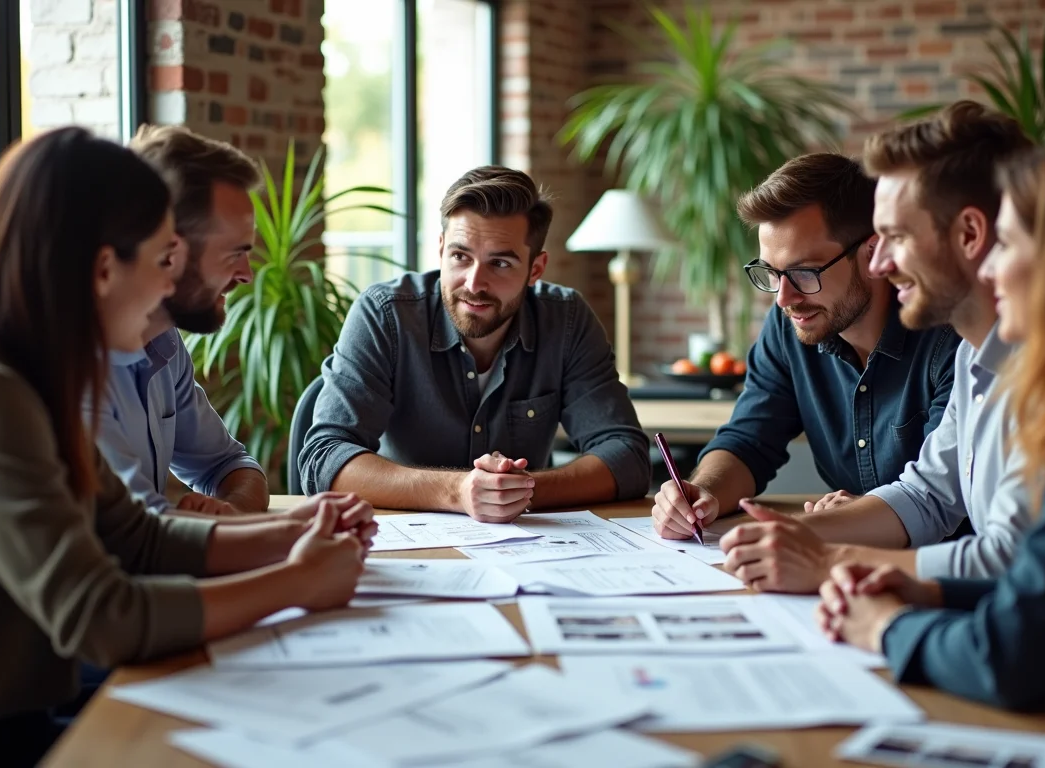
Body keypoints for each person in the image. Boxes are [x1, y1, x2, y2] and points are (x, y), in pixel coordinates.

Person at [0, 127, 374, 768]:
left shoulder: (34, 374)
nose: (168, 289)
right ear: (104, 268)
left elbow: (138, 538)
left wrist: (293, 535)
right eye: (163, 261)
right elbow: (102, 613)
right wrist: (296, 581)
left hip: (22, 714)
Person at [817, 132, 1045, 768]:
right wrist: (931, 596)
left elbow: (1013, 656)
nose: (989, 269)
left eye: (1009, 244)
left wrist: (883, 626)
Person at [717, 102, 1035, 593]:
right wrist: (791, 534)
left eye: (896, 237)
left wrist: (830, 563)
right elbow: (927, 495)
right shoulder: (979, 353)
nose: (880, 262)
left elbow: (1014, 563)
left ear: (971, 234)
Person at [300, 165, 650, 521]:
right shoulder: (385, 315)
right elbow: (325, 457)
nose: (474, 283)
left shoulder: (567, 321)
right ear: (440, 250)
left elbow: (627, 456)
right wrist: (457, 491)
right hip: (405, 541)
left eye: (500, 263)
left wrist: (516, 491)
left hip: (530, 545)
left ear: (535, 269)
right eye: (460, 256)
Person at [651, 153, 960, 539]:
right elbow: (749, 441)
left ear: (872, 253)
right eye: (771, 273)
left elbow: (939, 497)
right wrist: (702, 492)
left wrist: (856, 518)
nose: (784, 298)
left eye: (803, 272)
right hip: (841, 562)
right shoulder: (791, 325)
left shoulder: (950, 338)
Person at [84, 124, 267, 518]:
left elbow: (229, 465)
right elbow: (138, 531)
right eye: (234, 253)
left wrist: (230, 514)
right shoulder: (72, 364)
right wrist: (290, 537)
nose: (247, 274)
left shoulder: (165, 347)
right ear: (170, 250)